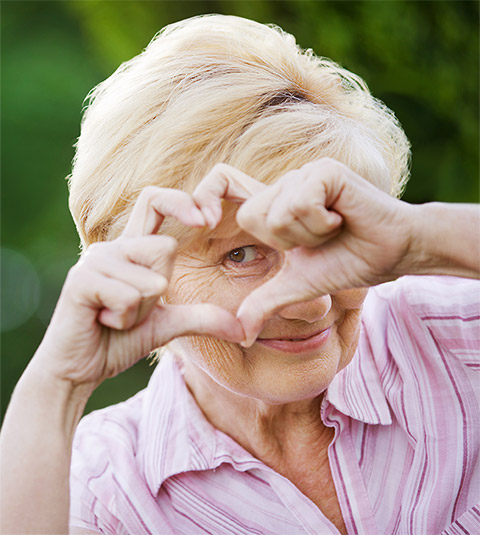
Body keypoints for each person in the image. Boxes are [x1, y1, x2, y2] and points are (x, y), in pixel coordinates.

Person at [1, 14, 479, 535]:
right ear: (132, 268)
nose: (312, 304)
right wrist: (58, 382)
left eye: (326, 238)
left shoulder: (456, 337)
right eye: (242, 255)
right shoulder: (103, 491)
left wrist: (421, 238)